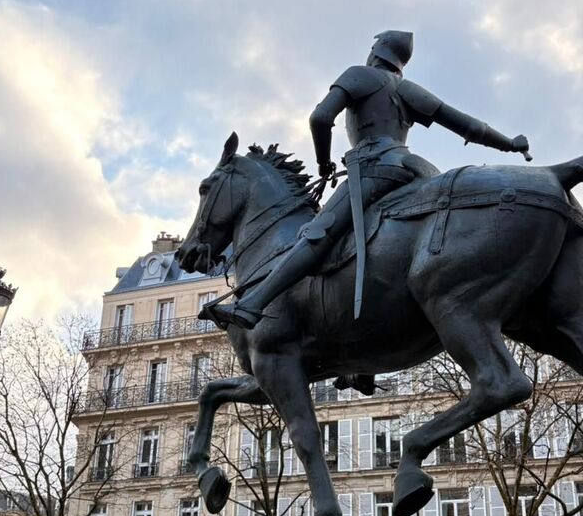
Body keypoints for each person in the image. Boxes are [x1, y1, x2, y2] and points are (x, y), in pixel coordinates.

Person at [201, 30, 531, 330]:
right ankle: (361, 364)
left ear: (376, 51)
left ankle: (252, 305)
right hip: (416, 171)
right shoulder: (407, 89)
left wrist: (324, 160)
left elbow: (320, 117)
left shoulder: (359, 75)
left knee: (317, 233)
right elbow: (468, 127)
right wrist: (509, 144)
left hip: (374, 169)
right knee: (375, 245)